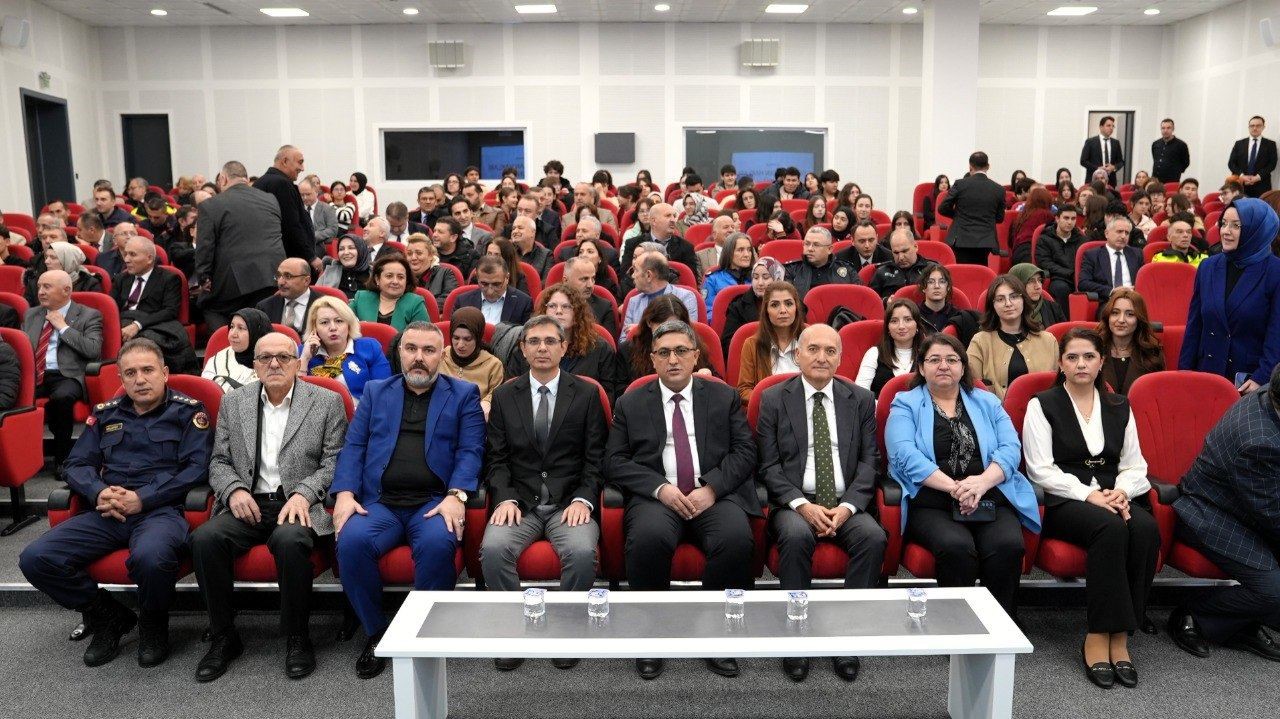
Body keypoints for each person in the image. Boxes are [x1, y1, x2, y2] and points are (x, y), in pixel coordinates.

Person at [18, 338, 211, 668]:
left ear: (165, 373)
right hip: (109, 510)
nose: (140, 379)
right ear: (121, 378)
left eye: (148, 370)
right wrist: (98, 492)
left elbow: (197, 468)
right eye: (130, 373)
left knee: (152, 557)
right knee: (36, 558)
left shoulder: (188, 412)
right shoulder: (106, 413)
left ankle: (153, 623)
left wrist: (142, 498)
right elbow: (76, 464)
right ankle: (106, 615)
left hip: (162, 510)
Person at [605, 320, 758, 681]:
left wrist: (712, 489)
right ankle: (653, 635)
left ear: (695, 356)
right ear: (652, 359)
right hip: (658, 496)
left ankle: (714, 633)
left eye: (680, 351)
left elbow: (745, 451)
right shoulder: (630, 402)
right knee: (647, 539)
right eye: (663, 353)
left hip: (713, 494)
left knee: (736, 539)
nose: (672, 359)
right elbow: (614, 460)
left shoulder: (722, 396)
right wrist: (660, 488)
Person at [191, 332, 347, 682]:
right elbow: (219, 461)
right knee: (204, 539)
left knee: (290, 541)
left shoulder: (326, 401)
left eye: (283, 357)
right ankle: (223, 636)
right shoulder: (234, 402)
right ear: (255, 365)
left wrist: (304, 493)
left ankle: (297, 636)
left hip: (298, 504)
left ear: (297, 362)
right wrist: (233, 491)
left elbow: (334, 462)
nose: (274, 364)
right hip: (248, 503)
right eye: (265, 358)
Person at [332, 321, 485, 679]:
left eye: (429, 350)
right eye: (411, 349)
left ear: (442, 355)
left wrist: (456, 495)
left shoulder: (463, 394)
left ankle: (425, 635)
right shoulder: (376, 391)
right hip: (379, 503)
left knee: (437, 544)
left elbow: (471, 450)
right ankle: (376, 633)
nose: (419, 357)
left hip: (432, 502)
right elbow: (354, 446)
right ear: (399, 352)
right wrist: (344, 493)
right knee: (351, 542)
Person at [1022, 328, 1159, 688]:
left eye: (1088, 357)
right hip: (1065, 500)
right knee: (1109, 528)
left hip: (1115, 494)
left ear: (1101, 362)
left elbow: (1135, 464)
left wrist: (1121, 492)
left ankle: (1122, 633)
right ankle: (1099, 633)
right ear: (1061, 364)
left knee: (1145, 528)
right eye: (1072, 357)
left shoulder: (1119, 406)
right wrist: (1089, 495)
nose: (1080, 364)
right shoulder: (1042, 404)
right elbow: (1040, 469)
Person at [755, 323, 885, 683]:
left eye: (830, 351)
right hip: (795, 503)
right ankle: (796, 638)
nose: (821, 357)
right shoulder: (773, 398)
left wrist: (847, 508)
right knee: (796, 537)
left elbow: (869, 462)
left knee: (873, 538)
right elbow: (768, 466)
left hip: (846, 501)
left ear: (841, 359)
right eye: (813, 349)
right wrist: (802, 505)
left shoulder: (860, 399)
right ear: (798, 355)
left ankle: (847, 636)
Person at [481, 316, 607, 672]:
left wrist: (583, 498)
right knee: (493, 550)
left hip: (568, 502)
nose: (542, 348)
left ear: (564, 348)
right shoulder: (505, 395)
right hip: (520, 502)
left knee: (582, 553)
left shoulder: (586, 394)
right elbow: (496, 458)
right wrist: (504, 497)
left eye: (550, 341)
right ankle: (513, 631)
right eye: (534, 341)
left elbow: (596, 458)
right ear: (522, 349)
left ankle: (565, 632)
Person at [886, 333, 1041, 616]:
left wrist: (980, 483)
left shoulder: (987, 401)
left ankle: (1000, 625)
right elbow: (904, 455)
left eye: (951, 359)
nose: (943, 365)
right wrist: (955, 488)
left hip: (989, 495)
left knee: (1007, 546)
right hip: (933, 501)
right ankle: (956, 625)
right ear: (921, 367)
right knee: (956, 547)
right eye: (934, 359)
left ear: (963, 366)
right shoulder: (905, 403)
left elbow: (1010, 448)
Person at [1168, 366, 1280, 665]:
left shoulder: (1271, 393)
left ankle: (1240, 624)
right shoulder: (1259, 441)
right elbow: (1273, 513)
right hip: (1209, 512)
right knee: (1273, 592)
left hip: (1250, 506)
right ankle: (1193, 614)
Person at [1179, 199, 1280, 392]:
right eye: (1223, 223)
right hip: (1206, 374)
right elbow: (1194, 327)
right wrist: (1184, 374)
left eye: (1236, 226)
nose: (1225, 231)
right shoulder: (1208, 266)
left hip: (1249, 384)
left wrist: (1261, 378)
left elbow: (1277, 335)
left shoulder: (1275, 272)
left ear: (1257, 230)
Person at [25, 270, 104, 468]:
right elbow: (23, 349)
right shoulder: (32, 314)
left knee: (62, 397)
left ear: (66, 290)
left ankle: (63, 460)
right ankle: (21, 461)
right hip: (34, 374)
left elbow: (93, 350)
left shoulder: (89, 315)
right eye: (39, 287)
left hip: (68, 375)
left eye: (47, 287)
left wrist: (63, 328)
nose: (40, 292)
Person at [196, 161, 288, 331]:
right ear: (245, 178)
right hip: (273, 275)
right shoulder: (270, 199)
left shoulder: (210, 205)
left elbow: (205, 247)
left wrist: (203, 277)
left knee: (207, 305)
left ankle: (226, 346)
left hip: (234, 281)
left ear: (223, 179)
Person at [506, 284, 626, 402]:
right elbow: (512, 391)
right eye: (552, 306)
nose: (559, 311)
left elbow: (606, 398)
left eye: (566, 306)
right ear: (544, 311)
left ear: (577, 312)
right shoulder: (526, 347)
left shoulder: (600, 350)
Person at [112, 237, 198, 375]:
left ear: (149, 258)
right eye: (125, 254)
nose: (126, 259)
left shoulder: (169, 278)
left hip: (155, 326)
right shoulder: (120, 279)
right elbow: (112, 310)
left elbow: (170, 311)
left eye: (132, 254)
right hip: (123, 325)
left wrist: (137, 325)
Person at [967, 274, 1058, 400]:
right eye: (1000, 299)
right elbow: (972, 388)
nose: (1008, 303)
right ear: (992, 305)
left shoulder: (1048, 340)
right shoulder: (980, 341)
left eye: (1014, 297)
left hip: (1042, 410)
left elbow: (1058, 387)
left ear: (1024, 299)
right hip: (995, 410)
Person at [299, 296, 390, 403]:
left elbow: (383, 393)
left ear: (349, 325)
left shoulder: (369, 348)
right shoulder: (304, 352)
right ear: (314, 328)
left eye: (339, 321)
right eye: (324, 322)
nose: (333, 327)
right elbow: (296, 399)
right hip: (317, 412)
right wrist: (304, 359)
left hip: (361, 411)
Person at [736, 281, 805, 402]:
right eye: (775, 305)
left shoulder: (811, 341)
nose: (783, 310)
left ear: (796, 308)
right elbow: (744, 390)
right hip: (769, 410)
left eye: (788, 304)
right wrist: (772, 403)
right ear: (766, 311)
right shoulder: (752, 345)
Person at [938, 152, 1007, 265]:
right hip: (985, 241)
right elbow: (999, 218)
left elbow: (943, 208)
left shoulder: (960, 184)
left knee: (961, 271)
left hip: (961, 238)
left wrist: (958, 215)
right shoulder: (999, 189)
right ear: (988, 166)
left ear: (970, 166)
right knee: (980, 271)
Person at [253, 145, 315, 268]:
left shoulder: (259, 183)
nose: (302, 168)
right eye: (300, 162)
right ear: (285, 161)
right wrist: (310, 257)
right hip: (289, 260)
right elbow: (291, 226)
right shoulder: (282, 184)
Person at [439, 307, 504, 417]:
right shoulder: (440, 357)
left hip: (475, 417)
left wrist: (487, 402)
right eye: (456, 338)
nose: (460, 345)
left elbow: (497, 394)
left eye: (467, 339)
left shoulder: (493, 365)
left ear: (478, 338)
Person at [1097, 289, 1164, 396]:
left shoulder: (1152, 353)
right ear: (1108, 317)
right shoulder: (1094, 350)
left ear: (1139, 319)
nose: (1121, 320)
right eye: (1115, 313)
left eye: (1130, 314)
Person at [621, 251, 699, 338]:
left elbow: (689, 336)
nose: (633, 275)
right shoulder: (634, 301)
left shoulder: (685, 297)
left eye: (636, 270)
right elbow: (623, 341)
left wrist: (640, 330)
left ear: (648, 275)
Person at [856, 298, 925, 396]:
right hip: (878, 406)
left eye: (908, 319)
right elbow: (860, 394)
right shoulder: (874, 353)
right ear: (888, 327)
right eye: (894, 321)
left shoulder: (927, 354)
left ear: (917, 325)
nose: (901, 326)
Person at [619, 202, 700, 280]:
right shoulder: (633, 244)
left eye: (674, 216)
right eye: (668, 216)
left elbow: (691, 281)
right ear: (654, 221)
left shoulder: (686, 247)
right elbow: (625, 278)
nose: (673, 220)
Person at [349, 254, 428, 331]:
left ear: (406, 281)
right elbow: (345, 325)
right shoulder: (361, 298)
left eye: (400, 277)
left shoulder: (415, 303)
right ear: (377, 279)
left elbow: (424, 335)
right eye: (389, 276)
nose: (395, 281)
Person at [722, 256, 784, 355]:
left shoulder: (791, 304)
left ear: (778, 279)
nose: (760, 283)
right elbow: (728, 345)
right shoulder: (738, 307)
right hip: (750, 357)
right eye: (755, 277)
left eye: (765, 277)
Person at [201, 308, 271, 393]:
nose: (233, 334)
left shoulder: (275, 363)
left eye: (241, 328)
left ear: (256, 332)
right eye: (232, 327)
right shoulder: (219, 359)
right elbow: (205, 392)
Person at [452, 255, 533, 326]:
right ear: (477, 278)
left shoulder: (523, 303)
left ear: (507, 278)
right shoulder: (463, 302)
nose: (490, 291)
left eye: (496, 284)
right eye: (484, 284)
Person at [785, 226, 860, 300]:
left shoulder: (847, 270)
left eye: (816, 245)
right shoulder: (791, 270)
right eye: (807, 244)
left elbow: (857, 299)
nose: (810, 249)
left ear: (829, 249)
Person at [1078, 216, 1143, 302]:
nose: (1123, 236)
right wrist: (1111, 291)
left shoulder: (1137, 254)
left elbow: (1145, 282)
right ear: (1106, 233)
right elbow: (1083, 283)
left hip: (1134, 301)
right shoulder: (1092, 255)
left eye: (1127, 233)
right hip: (1108, 302)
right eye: (1119, 231)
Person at [915, 264, 980, 346]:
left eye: (942, 282)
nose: (937, 286)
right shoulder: (913, 314)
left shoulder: (959, 317)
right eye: (930, 282)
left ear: (948, 287)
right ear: (923, 287)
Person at [1034, 206, 1088, 302]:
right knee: (1061, 288)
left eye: (1073, 219)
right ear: (1057, 219)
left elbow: (1087, 261)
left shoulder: (1081, 239)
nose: (1070, 222)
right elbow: (1045, 263)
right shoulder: (1045, 238)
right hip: (1058, 277)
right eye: (1066, 218)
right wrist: (1069, 273)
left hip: (1079, 277)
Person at [23, 241, 102, 306]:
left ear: (68, 261)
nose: (46, 261)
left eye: (53, 257)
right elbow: (30, 313)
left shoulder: (89, 284)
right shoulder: (36, 282)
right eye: (46, 257)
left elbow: (88, 315)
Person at [256, 257, 318, 337]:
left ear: (306, 281)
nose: (280, 282)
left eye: (288, 276)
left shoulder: (324, 305)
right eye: (279, 275)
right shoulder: (264, 307)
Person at [702, 232, 755, 323]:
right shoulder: (713, 279)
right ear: (729, 253)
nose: (747, 254)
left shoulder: (758, 278)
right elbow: (708, 313)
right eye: (740, 250)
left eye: (749, 250)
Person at [561, 256, 619, 338]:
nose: (590, 285)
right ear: (565, 281)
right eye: (584, 279)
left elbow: (607, 343)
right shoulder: (550, 305)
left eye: (593, 278)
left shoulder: (604, 307)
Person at [870, 229, 933, 299]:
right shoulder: (882, 272)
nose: (901, 258)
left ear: (915, 247)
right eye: (896, 253)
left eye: (904, 251)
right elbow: (871, 300)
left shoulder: (932, 270)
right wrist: (885, 301)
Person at [1228, 116, 1278, 198]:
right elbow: (1231, 163)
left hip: (1262, 186)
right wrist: (1242, 176)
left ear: (1263, 127)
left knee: (1260, 206)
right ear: (1249, 127)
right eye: (1252, 126)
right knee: (1238, 206)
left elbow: (1272, 164)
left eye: (1258, 126)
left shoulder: (1270, 144)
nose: (1255, 128)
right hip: (1240, 185)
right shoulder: (1239, 144)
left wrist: (1257, 177)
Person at [1008, 263, 1066, 329]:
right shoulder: (1008, 312)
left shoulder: (1054, 308)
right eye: (1031, 281)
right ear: (1017, 285)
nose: (1038, 286)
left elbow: (1064, 333)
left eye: (1040, 280)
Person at [316, 235, 372, 300]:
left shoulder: (374, 273)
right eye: (341, 249)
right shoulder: (330, 272)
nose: (346, 252)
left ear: (361, 250)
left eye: (351, 248)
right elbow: (316, 298)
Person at [1010, 187, 1056, 265]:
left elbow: (1010, 239)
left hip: (1017, 253)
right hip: (1032, 252)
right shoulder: (1046, 215)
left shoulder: (1021, 215)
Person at [1081, 116, 1125, 188]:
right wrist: (1098, 168)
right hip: (1093, 181)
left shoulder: (1116, 143)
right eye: (1108, 125)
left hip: (1110, 182)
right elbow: (1083, 161)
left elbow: (1121, 162)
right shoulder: (1090, 142)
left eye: (1113, 126)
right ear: (1101, 127)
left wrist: (1113, 167)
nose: (1111, 128)